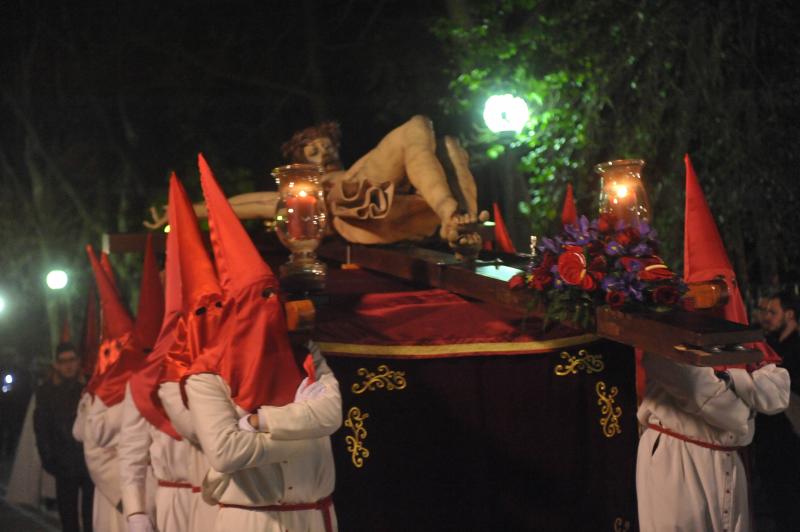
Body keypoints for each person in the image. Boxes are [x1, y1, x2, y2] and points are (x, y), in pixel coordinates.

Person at [181, 156, 341, 532]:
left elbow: (332, 415)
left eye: (273, 295)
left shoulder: (304, 352)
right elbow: (226, 452)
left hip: (315, 517)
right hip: (253, 522)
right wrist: (305, 430)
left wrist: (258, 421)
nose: (271, 306)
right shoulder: (205, 377)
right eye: (260, 297)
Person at [144, 116, 484, 249]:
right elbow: (248, 204)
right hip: (350, 209)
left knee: (448, 142)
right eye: (312, 149)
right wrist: (184, 212)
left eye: (325, 146)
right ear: (302, 159)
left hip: (396, 208)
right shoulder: (307, 188)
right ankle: (449, 210)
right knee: (417, 126)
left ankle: (457, 224)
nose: (321, 152)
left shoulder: (359, 165)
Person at [752, 290, 800, 530]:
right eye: (765, 311)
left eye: (773, 312)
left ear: (789, 314)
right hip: (769, 438)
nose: (766, 317)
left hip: (791, 437)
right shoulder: (769, 345)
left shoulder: (795, 349)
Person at [34, 342, 94, 532]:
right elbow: (41, 428)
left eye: (72, 360)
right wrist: (49, 460)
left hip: (89, 462)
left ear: (78, 362)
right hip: (64, 463)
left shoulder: (89, 388)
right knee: (68, 519)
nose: (68, 365)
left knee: (91, 517)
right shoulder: (46, 392)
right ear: (56, 364)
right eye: (63, 361)